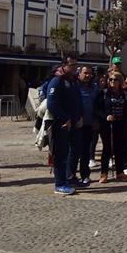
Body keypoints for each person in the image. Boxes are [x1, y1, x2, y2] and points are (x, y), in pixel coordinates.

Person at [46, 56, 82, 195]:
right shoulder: (57, 80)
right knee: (61, 154)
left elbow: (78, 101)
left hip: (75, 122)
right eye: (71, 65)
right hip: (61, 123)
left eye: (76, 65)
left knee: (75, 151)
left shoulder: (74, 81)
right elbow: (52, 104)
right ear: (64, 66)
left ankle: (71, 178)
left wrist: (80, 117)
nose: (74, 68)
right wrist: (65, 118)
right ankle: (60, 183)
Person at [96, 71, 127, 183]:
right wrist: (106, 116)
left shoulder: (125, 94)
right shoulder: (104, 93)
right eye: (110, 79)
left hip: (121, 125)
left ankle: (120, 172)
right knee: (107, 149)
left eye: (115, 79)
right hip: (107, 126)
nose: (112, 81)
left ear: (120, 81)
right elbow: (97, 109)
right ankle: (104, 173)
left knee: (119, 149)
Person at [69, 66, 99, 185]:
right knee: (74, 151)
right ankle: (71, 176)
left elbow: (97, 104)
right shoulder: (74, 86)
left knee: (86, 151)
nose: (88, 75)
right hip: (76, 123)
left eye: (90, 73)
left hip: (89, 123)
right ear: (79, 73)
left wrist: (96, 119)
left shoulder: (95, 87)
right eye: (85, 73)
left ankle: (85, 175)